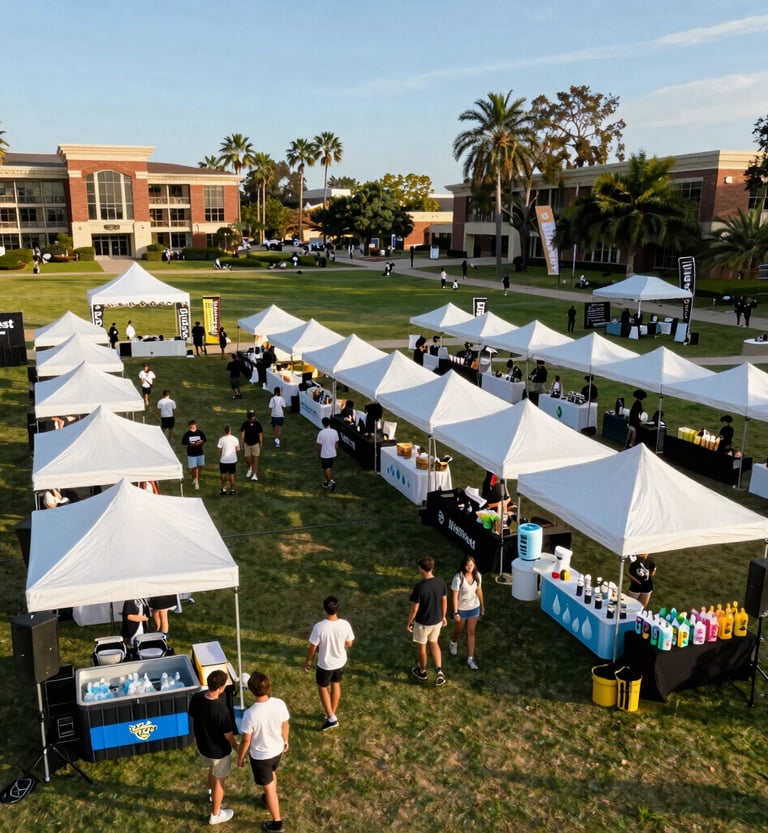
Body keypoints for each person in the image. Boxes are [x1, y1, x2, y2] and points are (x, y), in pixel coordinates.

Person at [237, 671, 290, 833]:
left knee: (268, 787)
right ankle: (269, 798)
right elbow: (285, 724)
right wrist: (285, 740)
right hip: (277, 750)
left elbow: (246, 740)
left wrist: (240, 757)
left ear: (252, 691)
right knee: (272, 772)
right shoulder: (279, 704)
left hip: (261, 756)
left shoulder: (250, 714)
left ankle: (277, 822)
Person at [188, 669, 238, 826]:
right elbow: (228, 735)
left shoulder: (196, 698)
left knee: (212, 771)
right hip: (219, 752)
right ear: (221, 688)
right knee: (219, 781)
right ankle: (215, 814)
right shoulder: (221, 710)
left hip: (203, 747)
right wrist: (238, 749)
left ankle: (212, 795)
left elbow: (192, 715)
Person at [303, 595, 355, 731]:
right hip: (340, 662)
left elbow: (313, 647)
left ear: (325, 609)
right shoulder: (345, 624)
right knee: (336, 684)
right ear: (338, 608)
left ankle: (331, 717)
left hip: (325, 664)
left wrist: (307, 661)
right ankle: (331, 714)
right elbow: (349, 643)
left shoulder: (319, 627)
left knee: (322, 688)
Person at [407, 556, 448, 686]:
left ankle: (422, 671)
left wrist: (410, 622)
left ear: (421, 569)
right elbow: (444, 601)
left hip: (422, 623)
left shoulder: (419, 587)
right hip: (437, 621)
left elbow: (415, 609)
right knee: (434, 643)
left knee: (422, 646)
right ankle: (439, 672)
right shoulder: (440, 582)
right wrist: (443, 616)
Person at [449, 555, 485, 670]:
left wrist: (482, 606)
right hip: (462, 609)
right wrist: (456, 613)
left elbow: (479, 591)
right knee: (458, 629)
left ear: (474, 565)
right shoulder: (458, 578)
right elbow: (454, 597)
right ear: (464, 565)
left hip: (474, 608)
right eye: (467, 565)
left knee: (471, 632)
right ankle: (453, 642)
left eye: (471, 565)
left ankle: (470, 658)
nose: (469, 567)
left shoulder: (478, 576)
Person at [181, 418, 206, 490]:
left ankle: (196, 480)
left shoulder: (200, 433)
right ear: (189, 427)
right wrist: (191, 445)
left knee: (200, 467)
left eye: (193, 426)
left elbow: (204, 440)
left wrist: (200, 442)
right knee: (194, 468)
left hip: (200, 453)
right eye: (190, 427)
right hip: (191, 454)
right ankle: (195, 481)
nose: (192, 428)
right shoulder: (186, 435)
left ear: (196, 426)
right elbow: (183, 444)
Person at [316, 416, 339, 492]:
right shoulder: (334, 432)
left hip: (325, 454)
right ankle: (327, 481)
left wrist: (319, 454)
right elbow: (336, 444)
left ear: (323, 424)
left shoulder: (321, 433)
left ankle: (331, 482)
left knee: (326, 468)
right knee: (327, 468)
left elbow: (319, 446)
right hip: (332, 454)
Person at [240, 409, 264, 481]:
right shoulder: (245, 424)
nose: (253, 417)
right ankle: (250, 468)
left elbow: (260, 435)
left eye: (253, 416)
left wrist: (261, 443)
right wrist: (242, 444)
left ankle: (254, 474)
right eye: (252, 416)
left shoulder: (258, 424)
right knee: (247, 458)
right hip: (247, 444)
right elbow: (242, 434)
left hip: (255, 444)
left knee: (255, 460)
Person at [217, 424, 240, 495]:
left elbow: (220, 450)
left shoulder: (221, 439)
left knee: (223, 474)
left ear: (225, 431)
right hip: (232, 460)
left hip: (223, 460)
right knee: (232, 475)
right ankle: (232, 490)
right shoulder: (235, 439)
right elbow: (238, 449)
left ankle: (223, 489)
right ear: (230, 431)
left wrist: (220, 457)